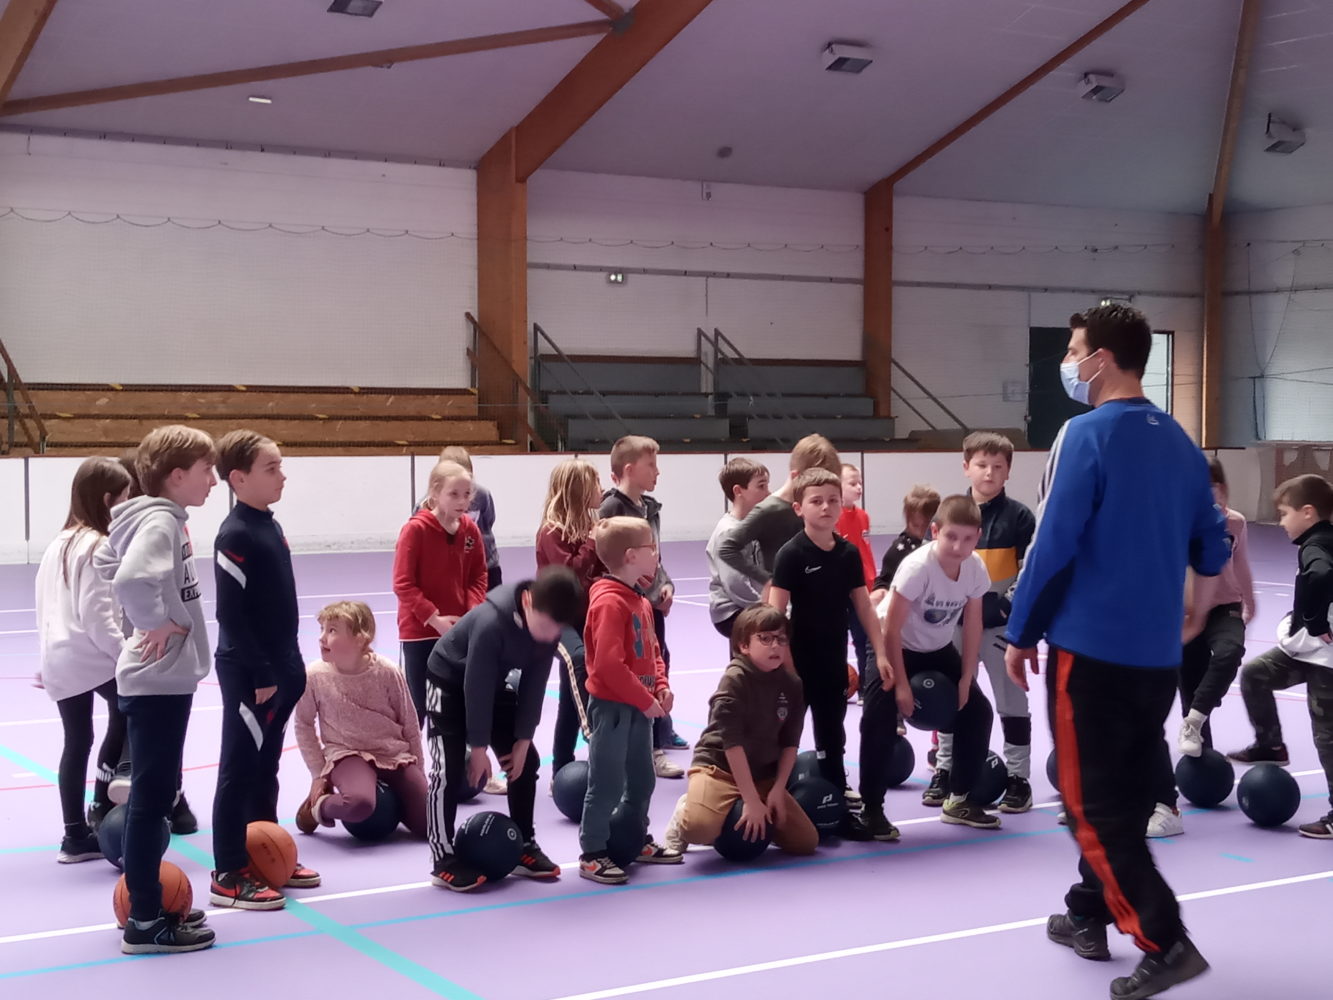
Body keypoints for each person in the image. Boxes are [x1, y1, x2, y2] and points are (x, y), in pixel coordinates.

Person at [1004, 305, 1227, 999]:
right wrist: (1192, 602)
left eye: (1074, 351)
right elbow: (1213, 543)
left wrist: (1018, 633)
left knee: (1088, 806)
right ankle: (1086, 912)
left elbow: (1051, 543)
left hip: (1089, 653)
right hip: (1154, 659)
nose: (1069, 364)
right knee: (1125, 794)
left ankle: (1165, 941)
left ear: (1101, 359)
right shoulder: (1182, 444)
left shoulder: (1083, 434)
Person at [95, 425, 218, 955]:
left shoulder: (151, 518)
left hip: (158, 680)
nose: (213, 480)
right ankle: (145, 919)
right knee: (150, 803)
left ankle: (148, 908)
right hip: (157, 680)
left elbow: (106, 560)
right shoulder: (160, 522)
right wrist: (156, 623)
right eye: (205, 470)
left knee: (154, 798)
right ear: (176, 476)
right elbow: (127, 580)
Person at [424, 566, 583, 891]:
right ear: (527, 601)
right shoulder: (490, 623)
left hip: (493, 687)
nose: (551, 633)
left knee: (527, 762)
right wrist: (479, 748)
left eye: (558, 628)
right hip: (449, 682)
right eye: (546, 624)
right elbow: (475, 686)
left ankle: (524, 843)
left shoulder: (547, 630)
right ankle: (444, 858)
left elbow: (535, 685)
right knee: (448, 769)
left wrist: (523, 739)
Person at [768, 468, 892, 837]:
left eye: (832, 500)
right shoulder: (790, 555)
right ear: (798, 508)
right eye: (816, 501)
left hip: (832, 663)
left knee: (832, 733)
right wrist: (784, 666)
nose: (825, 507)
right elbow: (776, 616)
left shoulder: (848, 554)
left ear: (842, 505)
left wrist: (880, 654)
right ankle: (777, 799)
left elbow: (864, 608)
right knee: (785, 733)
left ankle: (836, 801)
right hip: (797, 665)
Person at [1145, 458, 1258, 839]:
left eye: (1216, 489)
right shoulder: (1176, 524)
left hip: (1224, 609)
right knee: (1189, 684)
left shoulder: (1235, 523)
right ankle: (1200, 768)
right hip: (1186, 614)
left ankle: (1193, 721)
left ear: (1223, 490)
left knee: (1229, 652)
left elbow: (1240, 563)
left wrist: (1250, 599)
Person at [929, 433, 1036, 813]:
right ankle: (944, 770)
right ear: (966, 467)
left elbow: (1030, 572)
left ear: (1008, 471)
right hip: (954, 627)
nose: (989, 472)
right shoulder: (949, 513)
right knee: (952, 697)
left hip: (999, 629)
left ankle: (1019, 778)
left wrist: (1006, 607)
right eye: (981, 464)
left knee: (1011, 701)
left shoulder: (1020, 517)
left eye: (998, 466)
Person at [1226, 474, 1333, 840]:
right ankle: (1269, 744)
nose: (1281, 521)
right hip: (1308, 650)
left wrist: (1316, 619)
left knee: (1327, 737)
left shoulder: (1317, 546)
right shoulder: (1318, 541)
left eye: (1285, 513)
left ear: (1308, 512)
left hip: (1326, 659)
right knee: (1256, 674)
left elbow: (1321, 575)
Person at [663, 605, 819, 856]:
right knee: (699, 829)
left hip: (763, 775)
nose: (775, 646)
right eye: (765, 639)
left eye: (780, 639)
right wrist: (750, 799)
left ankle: (743, 822)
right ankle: (686, 810)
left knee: (805, 842)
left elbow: (790, 743)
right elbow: (732, 745)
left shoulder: (791, 684)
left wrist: (778, 789)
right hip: (719, 769)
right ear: (744, 646)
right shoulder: (735, 680)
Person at [883, 495, 999, 830]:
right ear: (935, 532)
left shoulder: (975, 567)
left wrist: (967, 677)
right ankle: (871, 807)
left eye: (967, 539)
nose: (958, 546)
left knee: (978, 711)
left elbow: (973, 622)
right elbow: (891, 628)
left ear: (978, 536)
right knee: (879, 715)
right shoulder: (918, 568)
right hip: (898, 646)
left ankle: (959, 800)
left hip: (938, 648)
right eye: (950, 536)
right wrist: (902, 684)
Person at [36, 457, 132, 862]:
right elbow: (98, 615)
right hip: (89, 657)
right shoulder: (97, 544)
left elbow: (44, 605)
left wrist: (48, 657)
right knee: (131, 711)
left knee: (77, 741)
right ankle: (107, 801)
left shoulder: (59, 541)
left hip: (60, 656)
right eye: (125, 499)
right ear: (108, 499)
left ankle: (75, 834)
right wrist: (126, 655)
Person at [578, 517, 683, 884]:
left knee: (642, 780)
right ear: (630, 556)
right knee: (605, 783)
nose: (656, 556)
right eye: (651, 549)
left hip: (641, 708)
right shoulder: (609, 603)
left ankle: (637, 837)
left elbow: (653, 650)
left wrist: (661, 687)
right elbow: (608, 665)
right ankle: (592, 852)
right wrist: (643, 698)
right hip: (614, 709)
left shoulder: (639, 599)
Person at [294, 601, 427, 839]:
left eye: (332, 630)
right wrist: (319, 775)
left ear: (360, 639)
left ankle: (402, 806)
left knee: (432, 824)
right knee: (360, 803)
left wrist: (418, 768)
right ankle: (318, 807)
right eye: (322, 629)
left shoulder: (387, 671)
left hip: (392, 754)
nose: (322, 637)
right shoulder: (315, 675)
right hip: (347, 754)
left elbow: (409, 721)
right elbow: (303, 725)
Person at [598, 435, 686, 777]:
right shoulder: (610, 510)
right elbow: (611, 560)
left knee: (659, 660)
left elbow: (655, 555)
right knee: (635, 668)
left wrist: (664, 586)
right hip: (628, 603)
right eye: (652, 465)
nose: (657, 472)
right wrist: (645, 588)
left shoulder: (650, 508)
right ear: (630, 469)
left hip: (650, 605)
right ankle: (649, 747)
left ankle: (661, 727)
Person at [393, 459, 488, 726]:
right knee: (420, 705)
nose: (462, 501)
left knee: (453, 702)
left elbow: (478, 575)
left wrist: (470, 614)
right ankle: (412, 763)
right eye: (454, 494)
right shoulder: (415, 531)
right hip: (420, 633)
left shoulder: (470, 530)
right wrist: (434, 619)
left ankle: (451, 764)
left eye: (467, 494)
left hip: (458, 632)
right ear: (434, 493)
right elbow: (403, 583)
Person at [536, 459, 605, 778]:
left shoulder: (594, 525)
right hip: (556, 619)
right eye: (595, 484)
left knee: (568, 694)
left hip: (584, 617)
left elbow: (600, 573)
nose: (601, 490)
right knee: (577, 662)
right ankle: (594, 734)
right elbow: (572, 574)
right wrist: (593, 540)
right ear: (578, 490)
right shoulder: (552, 532)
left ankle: (561, 765)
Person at [716, 433, 840, 589]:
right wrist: (768, 580)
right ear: (796, 476)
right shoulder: (768, 509)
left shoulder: (817, 508)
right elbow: (727, 548)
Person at [705, 457, 770, 640]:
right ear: (738, 491)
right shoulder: (729, 532)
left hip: (750, 606)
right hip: (732, 611)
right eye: (761, 486)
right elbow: (735, 584)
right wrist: (766, 607)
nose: (768, 492)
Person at [836, 463, 877, 692]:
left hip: (863, 589)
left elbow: (866, 552)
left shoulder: (863, 516)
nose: (858, 487)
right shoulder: (833, 518)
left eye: (860, 482)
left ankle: (865, 686)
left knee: (864, 641)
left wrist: (872, 581)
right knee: (838, 639)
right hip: (841, 591)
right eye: (852, 483)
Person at [441, 446, 501, 592]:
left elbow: (488, 521)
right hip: (450, 570)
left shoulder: (482, 495)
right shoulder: (429, 502)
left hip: (486, 566)